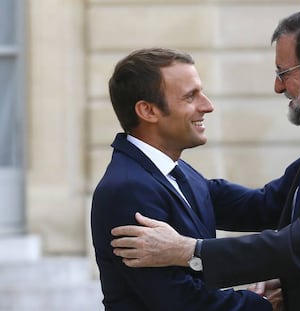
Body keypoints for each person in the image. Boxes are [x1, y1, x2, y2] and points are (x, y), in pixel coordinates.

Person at [110, 7, 300, 311]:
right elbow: (271, 203)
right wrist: (167, 182)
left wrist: (189, 250)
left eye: (284, 73)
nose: (278, 86)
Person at [90, 48, 284, 310]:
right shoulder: (127, 190)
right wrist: (261, 304)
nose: (207, 105)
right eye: (190, 96)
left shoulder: (178, 172)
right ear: (148, 111)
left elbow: (263, 205)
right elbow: (181, 302)